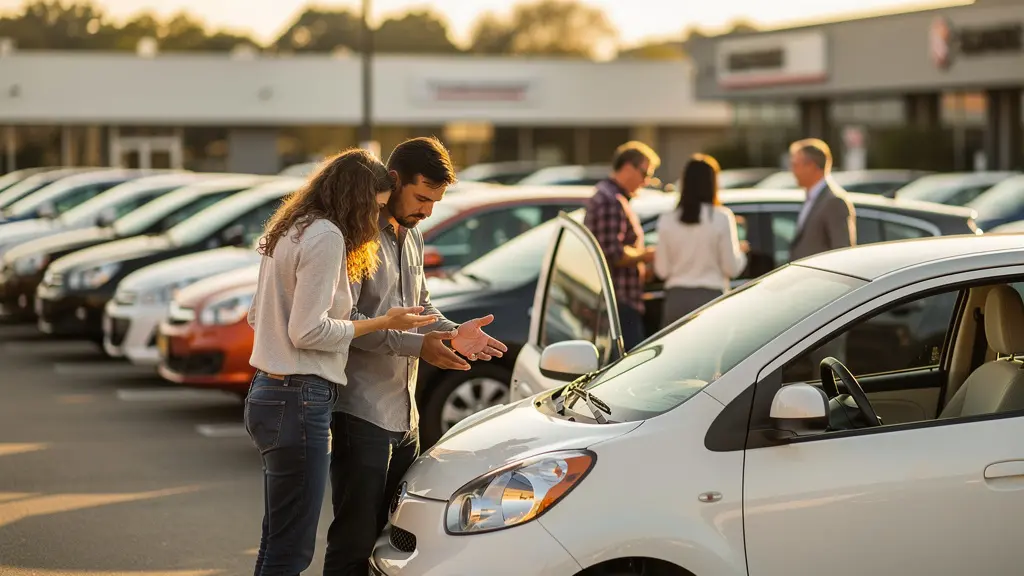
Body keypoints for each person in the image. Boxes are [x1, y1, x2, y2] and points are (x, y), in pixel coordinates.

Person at [244, 149, 439, 576]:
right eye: (376, 206)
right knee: (291, 550)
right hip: (300, 396)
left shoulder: (292, 227)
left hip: (270, 391)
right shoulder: (328, 235)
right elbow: (308, 332)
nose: (376, 218)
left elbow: (257, 316)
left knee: (277, 541)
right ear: (357, 197)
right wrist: (378, 324)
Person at [324, 137, 508, 576]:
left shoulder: (414, 234)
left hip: (404, 418)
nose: (427, 210)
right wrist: (419, 347)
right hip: (361, 413)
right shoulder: (357, 233)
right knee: (353, 542)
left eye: (435, 201)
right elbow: (349, 322)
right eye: (422, 197)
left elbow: (420, 307)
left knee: (396, 540)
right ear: (394, 180)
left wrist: (450, 333)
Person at [654, 154, 749, 327]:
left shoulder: (667, 219)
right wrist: (741, 252)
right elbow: (732, 268)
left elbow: (661, 270)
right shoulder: (721, 217)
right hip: (711, 299)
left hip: (676, 300)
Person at [583, 141, 660, 351]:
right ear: (628, 168)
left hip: (616, 300)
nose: (646, 181)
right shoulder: (611, 200)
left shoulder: (609, 196)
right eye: (645, 174)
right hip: (619, 302)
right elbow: (613, 253)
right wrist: (646, 255)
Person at [787, 138, 856, 261]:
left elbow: (842, 253)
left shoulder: (834, 201)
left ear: (811, 166)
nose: (792, 171)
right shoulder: (813, 197)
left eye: (795, 165)